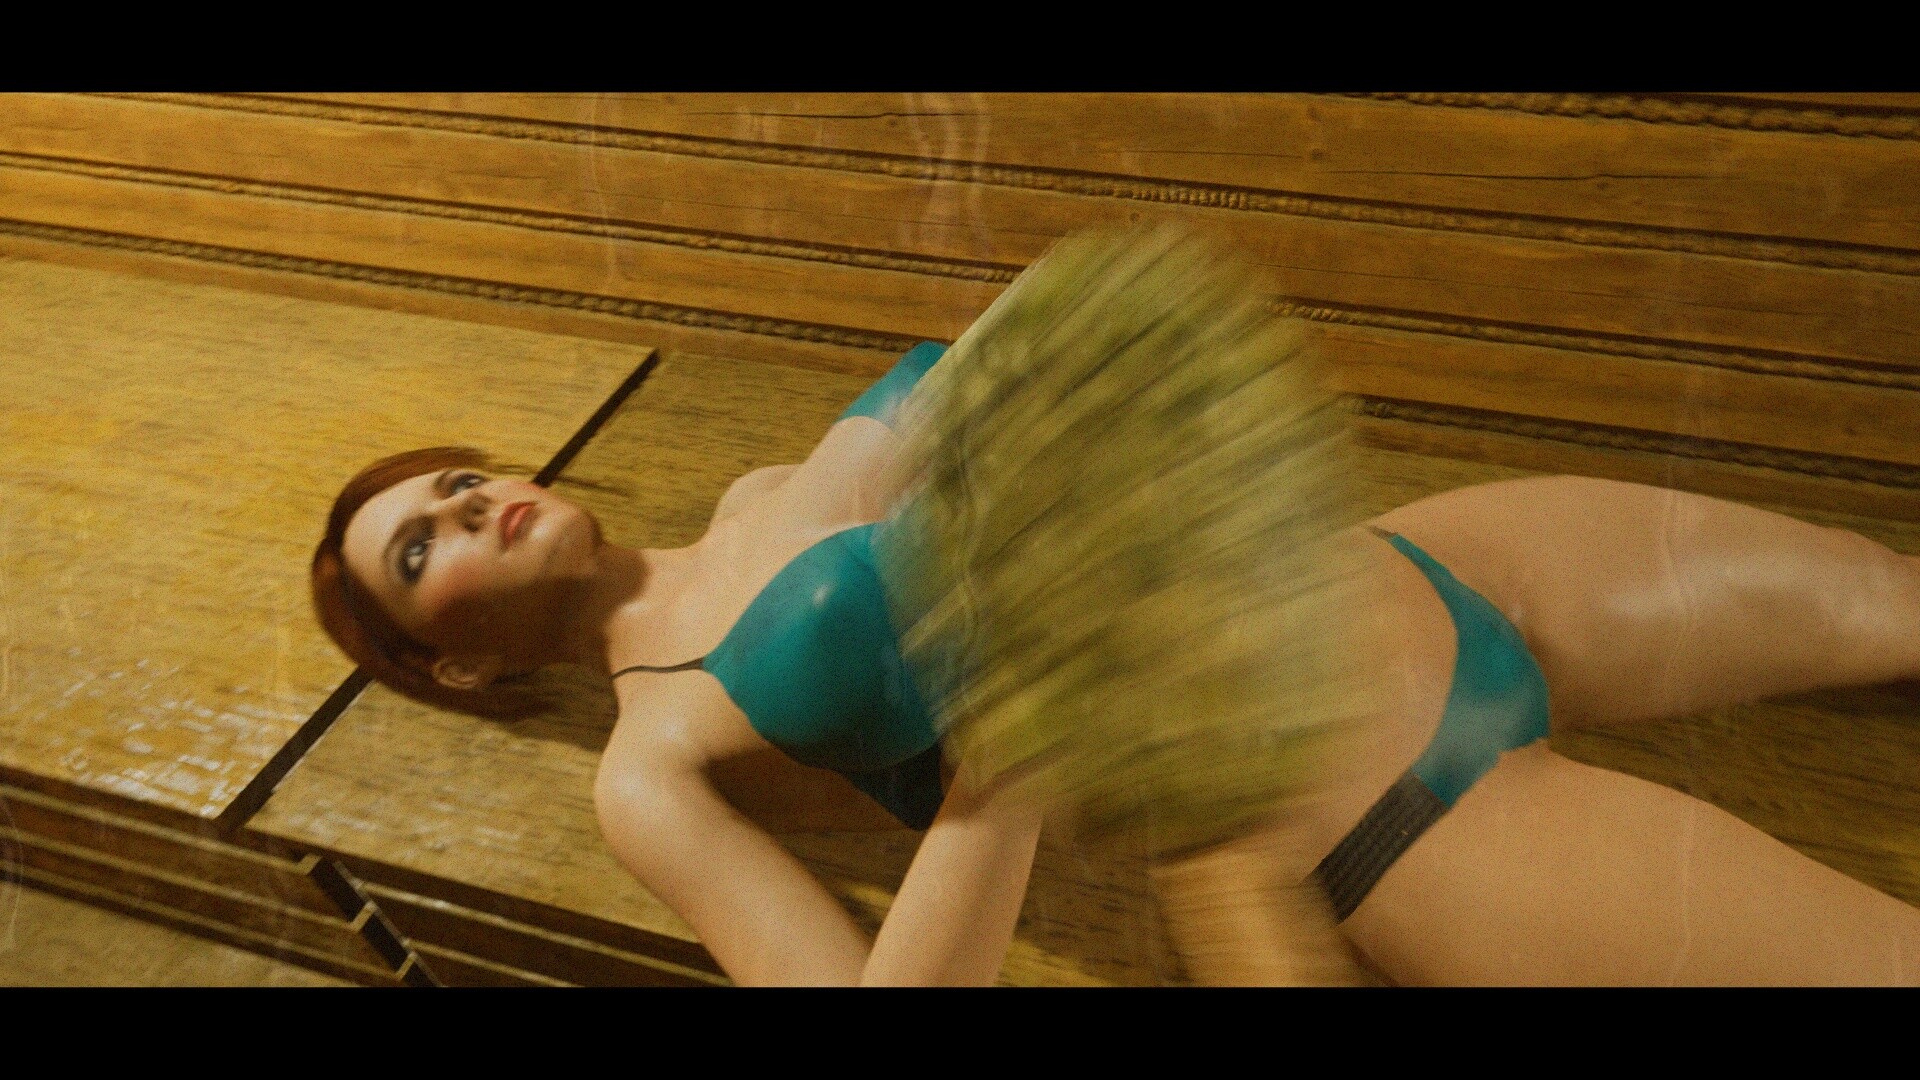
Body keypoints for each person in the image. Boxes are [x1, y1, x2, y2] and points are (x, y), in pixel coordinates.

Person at [310, 331, 1920, 986]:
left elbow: (1029, 372)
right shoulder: (649, 766)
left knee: (1889, 592)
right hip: (1390, 805)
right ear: (451, 667)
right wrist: (1002, 765)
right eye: (422, 549)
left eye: (455, 481)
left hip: (1421, 567)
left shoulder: (761, 491)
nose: (470, 504)